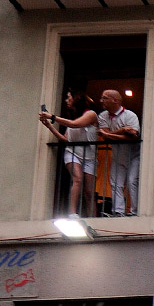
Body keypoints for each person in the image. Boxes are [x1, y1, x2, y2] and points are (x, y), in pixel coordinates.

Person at [40, 89, 98, 218]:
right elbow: (65, 139)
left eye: (68, 97)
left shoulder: (91, 114)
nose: (66, 101)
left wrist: (53, 117)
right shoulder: (71, 118)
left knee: (89, 192)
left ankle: (93, 219)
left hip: (89, 157)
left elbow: (75, 124)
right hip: (72, 153)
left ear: (77, 99)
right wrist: (49, 126)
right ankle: (72, 213)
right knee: (77, 179)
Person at [96, 89, 140, 216]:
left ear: (114, 100)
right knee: (115, 183)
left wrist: (109, 134)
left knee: (132, 181)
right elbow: (105, 136)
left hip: (134, 156)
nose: (101, 101)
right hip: (118, 155)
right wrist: (122, 130)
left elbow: (133, 137)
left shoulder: (130, 116)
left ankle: (134, 211)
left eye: (104, 98)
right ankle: (118, 211)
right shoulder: (103, 116)